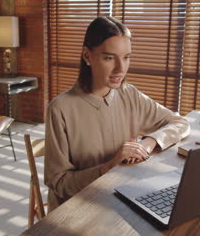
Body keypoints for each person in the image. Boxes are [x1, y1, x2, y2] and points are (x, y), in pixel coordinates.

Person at [44, 16, 190, 211]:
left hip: (119, 198)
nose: (121, 69)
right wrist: (108, 166)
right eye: (109, 58)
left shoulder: (130, 94)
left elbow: (180, 123)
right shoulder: (60, 109)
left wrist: (148, 143)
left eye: (127, 57)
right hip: (77, 209)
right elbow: (59, 183)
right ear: (87, 56)